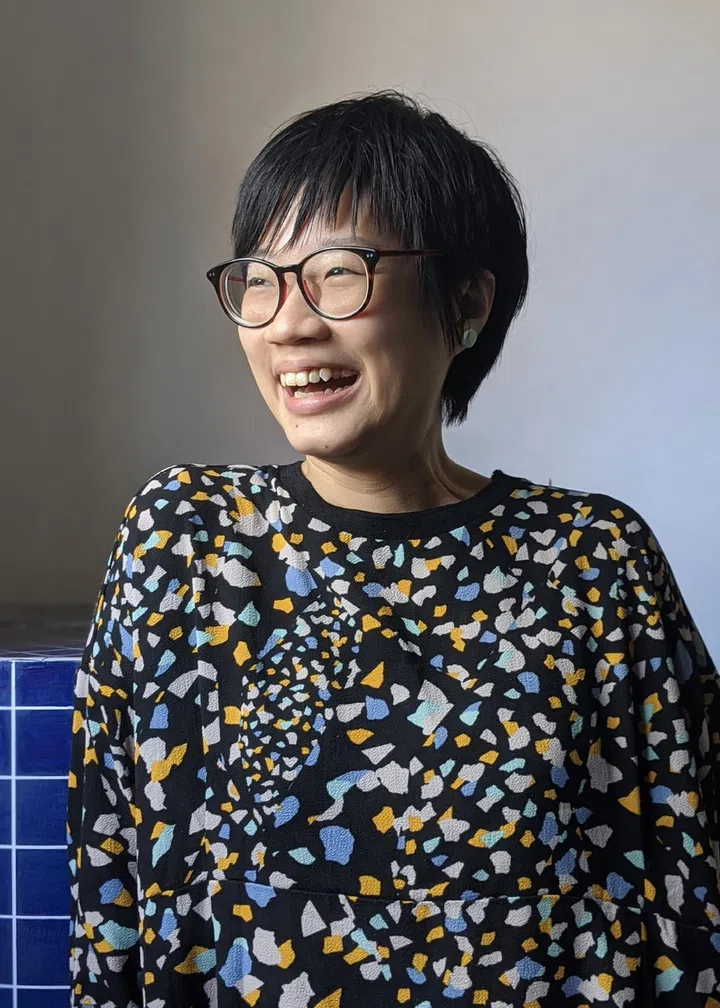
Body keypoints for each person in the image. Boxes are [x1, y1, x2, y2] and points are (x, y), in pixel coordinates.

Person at [67, 91, 720, 1006]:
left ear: (467, 302)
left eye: (339, 270)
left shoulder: (595, 562)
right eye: (259, 278)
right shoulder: (183, 539)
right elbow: (110, 884)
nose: (287, 323)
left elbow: (685, 900)